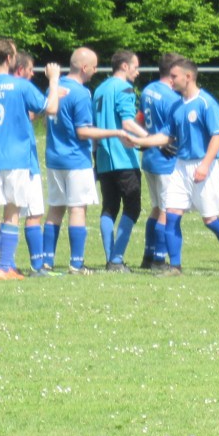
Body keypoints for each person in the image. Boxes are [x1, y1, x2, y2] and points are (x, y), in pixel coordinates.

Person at [127, 58, 219, 275]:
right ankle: (175, 266)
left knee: (210, 220)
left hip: (203, 165)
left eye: (174, 76)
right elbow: (166, 136)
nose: (170, 80)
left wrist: (205, 165)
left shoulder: (206, 103)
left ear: (188, 77)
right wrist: (139, 141)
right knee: (171, 213)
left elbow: (217, 137)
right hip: (180, 165)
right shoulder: (177, 106)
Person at [0, 36, 60, 280]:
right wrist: (54, 80)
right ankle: (6, 267)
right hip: (17, 160)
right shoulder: (21, 86)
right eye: (14, 54)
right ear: (8, 58)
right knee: (12, 212)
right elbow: (51, 108)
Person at [43, 48, 131, 274]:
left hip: (54, 158)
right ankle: (76, 263)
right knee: (77, 209)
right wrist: (116, 133)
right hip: (75, 159)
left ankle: (46, 261)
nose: (95, 70)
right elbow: (82, 132)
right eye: (93, 66)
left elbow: (46, 121)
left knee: (55, 209)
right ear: (84, 68)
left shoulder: (54, 87)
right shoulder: (81, 93)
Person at [92, 50, 147, 269]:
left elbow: (94, 126)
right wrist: (151, 139)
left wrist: (95, 155)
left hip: (104, 158)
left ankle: (110, 258)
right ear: (124, 66)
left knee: (109, 208)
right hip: (124, 157)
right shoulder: (124, 88)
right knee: (132, 207)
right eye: (135, 67)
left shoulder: (99, 89)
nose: (137, 72)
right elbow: (127, 122)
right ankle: (116, 259)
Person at [138, 52, 184, 270]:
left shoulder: (148, 89)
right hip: (166, 159)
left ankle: (148, 256)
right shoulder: (172, 98)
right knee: (166, 210)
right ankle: (159, 258)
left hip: (149, 156)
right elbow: (176, 130)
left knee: (156, 208)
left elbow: (139, 119)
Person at [11, 51, 47, 275]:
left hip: (2, 160)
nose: (33, 74)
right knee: (34, 213)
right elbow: (48, 107)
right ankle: (37, 265)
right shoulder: (23, 87)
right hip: (25, 160)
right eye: (31, 69)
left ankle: (6, 265)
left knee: (9, 214)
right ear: (20, 69)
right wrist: (54, 86)